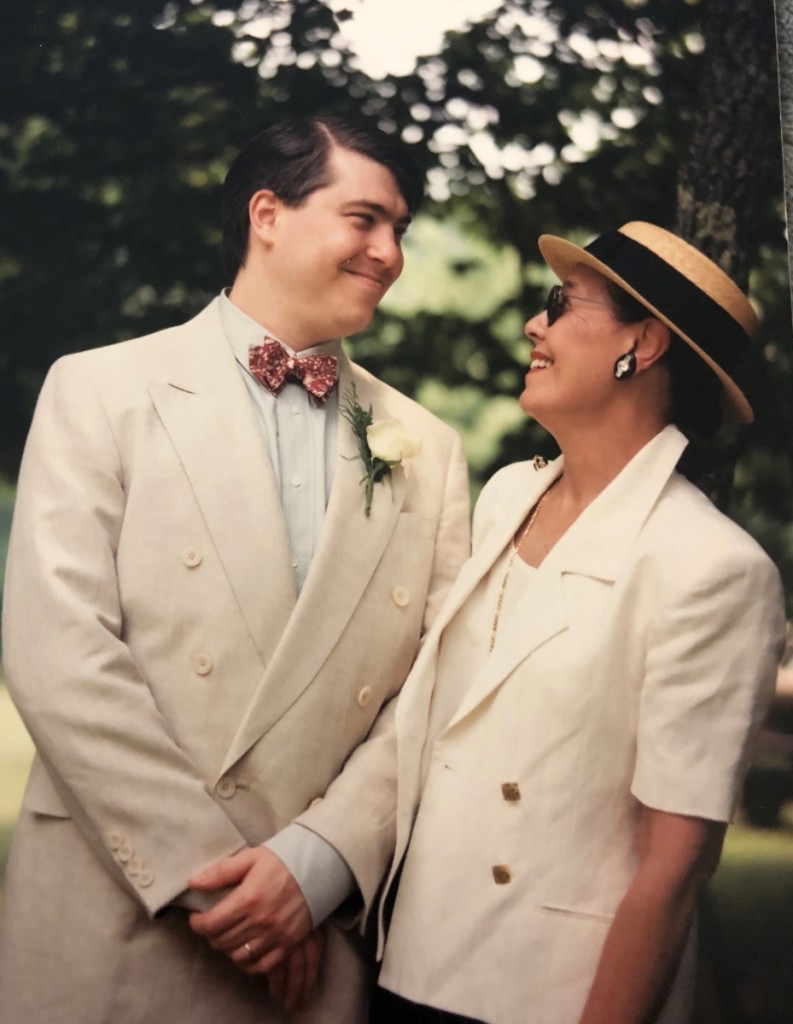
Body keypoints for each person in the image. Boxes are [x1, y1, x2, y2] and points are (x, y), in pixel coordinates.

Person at [0, 114, 470, 1024]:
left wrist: (313, 866)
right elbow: (57, 653)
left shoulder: (431, 449)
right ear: (268, 214)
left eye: (401, 230)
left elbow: (434, 696)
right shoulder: (98, 391)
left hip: (315, 949)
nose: (389, 251)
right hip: (116, 917)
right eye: (364, 218)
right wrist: (221, 889)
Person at [369, 222, 787, 1024]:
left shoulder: (711, 569)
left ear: (645, 342)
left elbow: (672, 873)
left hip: (544, 998)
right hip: (406, 962)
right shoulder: (501, 498)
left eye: (560, 304)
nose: (535, 324)